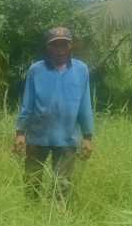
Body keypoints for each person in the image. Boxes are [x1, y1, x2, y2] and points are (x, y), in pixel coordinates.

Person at [13, 27, 94, 205]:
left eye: (63, 45)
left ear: (70, 46)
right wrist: (20, 133)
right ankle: (31, 214)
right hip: (37, 135)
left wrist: (87, 136)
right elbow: (27, 103)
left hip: (67, 137)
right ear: (48, 48)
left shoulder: (81, 70)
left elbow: (85, 104)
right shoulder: (36, 70)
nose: (59, 50)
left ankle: (57, 218)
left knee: (62, 184)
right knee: (31, 180)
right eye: (55, 45)